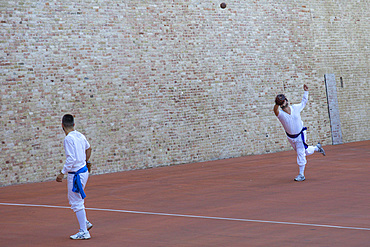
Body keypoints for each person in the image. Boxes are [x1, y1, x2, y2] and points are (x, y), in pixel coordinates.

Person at [273, 84, 325, 181]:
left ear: (287, 101)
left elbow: (304, 102)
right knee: (304, 151)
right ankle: (316, 148)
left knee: (300, 153)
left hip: (300, 134)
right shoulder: (281, 114)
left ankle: (301, 174)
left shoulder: (295, 108)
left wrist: (306, 91)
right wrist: (277, 103)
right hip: (291, 137)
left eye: (284, 101)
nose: (283, 105)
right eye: (281, 104)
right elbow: (275, 110)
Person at [56, 114, 93, 239]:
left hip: (75, 174)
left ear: (62, 126)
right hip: (83, 171)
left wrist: (62, 173)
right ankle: (85, 223)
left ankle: (84, 231)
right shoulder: (80, 135)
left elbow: (71, 159)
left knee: (76, 202)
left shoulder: (68, 139)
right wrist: (86, 161)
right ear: (73, 124)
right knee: (77, 200)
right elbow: (89, 148)